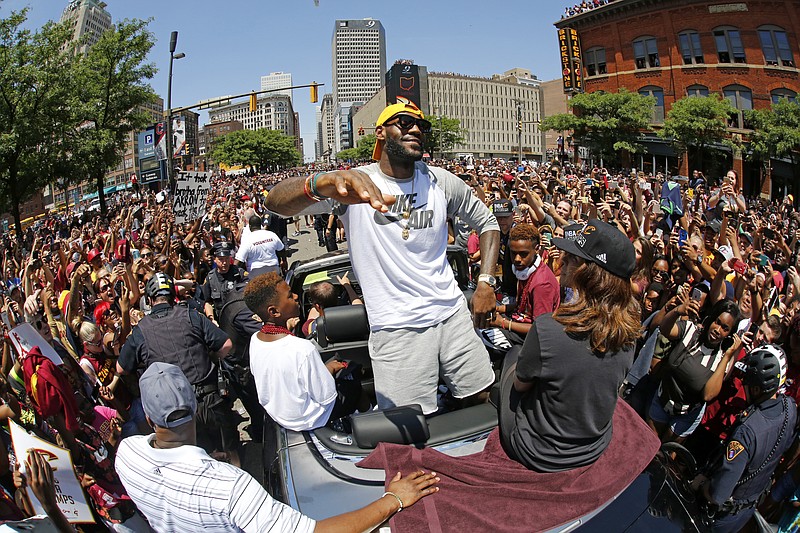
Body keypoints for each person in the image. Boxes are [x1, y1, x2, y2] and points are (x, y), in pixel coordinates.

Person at [264, 102, 500, 415]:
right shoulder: (352, 184)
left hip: (452, 314)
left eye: (420, 125)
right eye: (403, 122)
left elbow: (488, 224)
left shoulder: (440, 181)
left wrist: (485, 282)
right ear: (380, 132)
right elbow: (275, 203)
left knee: (480, 398)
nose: (415, 129)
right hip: (396, 328)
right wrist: (319, 182)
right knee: (412, 423)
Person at [115, 362, 440, 533]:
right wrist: (394, 499)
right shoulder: (231, 488)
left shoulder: (127, 456)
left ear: (147, 414)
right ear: (193, 404)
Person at [498, 219, 640, 472]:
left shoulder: (547, 328)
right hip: (594, 446)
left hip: (538, 451)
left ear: (588, 272)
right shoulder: (629, 333)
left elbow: (522, 385)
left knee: (513, 356)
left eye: (572, 258)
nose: (562, 262)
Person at [116, 273, 240, 465]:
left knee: (197, 463)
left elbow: (121, 368)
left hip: (177, 415)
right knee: (230, 454)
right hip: (211, 401)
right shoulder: (191, 315)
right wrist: (209, 359)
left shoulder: (141, 331)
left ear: (149, 300)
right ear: (174, 296)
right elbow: (226, 345)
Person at [243, 272, 365, 431]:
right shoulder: (302, 349)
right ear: (274, 312)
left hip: (282, 417)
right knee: (353, 382)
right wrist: (330, 369)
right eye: (289, 296)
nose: (295, 296)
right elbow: (326, 397)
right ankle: (368, 415)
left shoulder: (255, 340)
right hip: (312, 419)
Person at [695, 345, 796, 533]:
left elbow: (718, 494)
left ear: (757, 388)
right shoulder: (790, 408)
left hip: (719, 518)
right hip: (745, 511)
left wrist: (701, 485)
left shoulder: (746, 432)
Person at [488, 223, 560, 342]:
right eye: (513, 253)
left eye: (523, 254)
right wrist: (498, 309)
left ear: (537, 249)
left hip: (529, 338)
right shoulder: (525, 271)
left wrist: (503, 323)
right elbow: (522, 306)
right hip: (518, 322)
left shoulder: (542, 284)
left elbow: (540, 329)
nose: (517, 259)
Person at [201, 241, 247, 322]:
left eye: (227, 259)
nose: (224, 262)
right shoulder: (210, 278)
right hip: (221, 319)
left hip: (240, 317)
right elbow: (207, 302)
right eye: (221, 259)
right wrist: (211, 319)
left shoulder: (239, 273)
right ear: (215, 259)